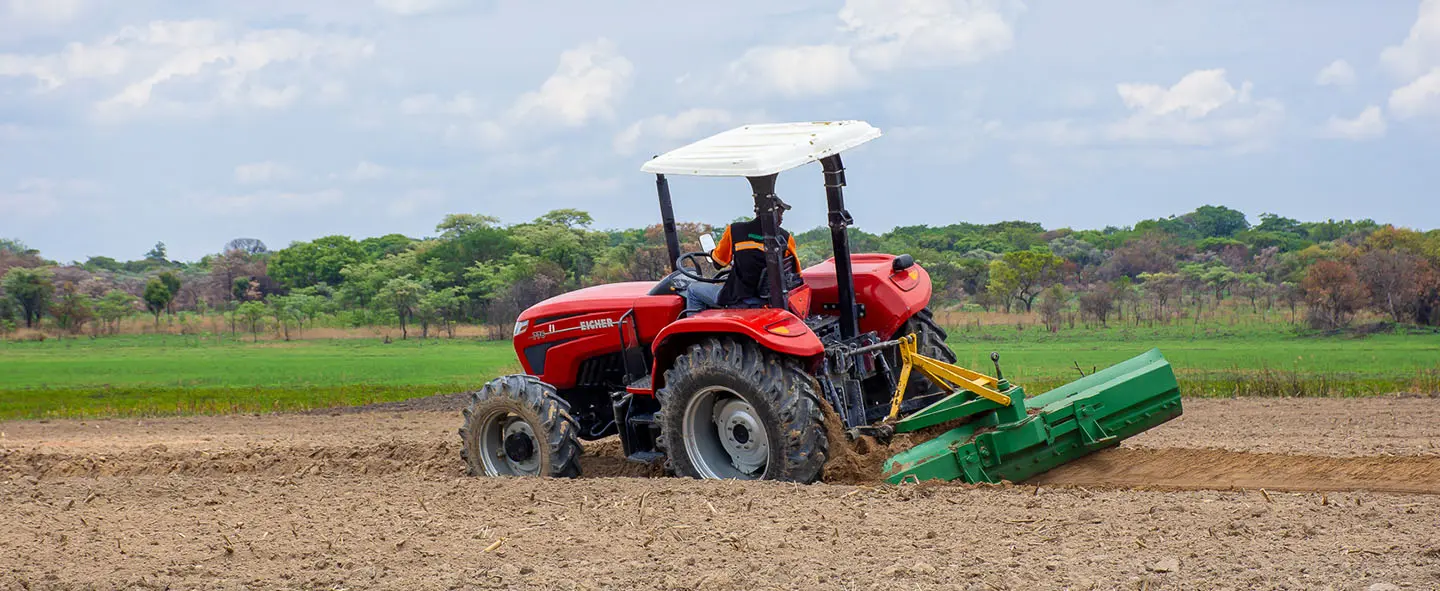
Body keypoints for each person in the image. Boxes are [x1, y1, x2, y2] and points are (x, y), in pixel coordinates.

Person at [683, 197, 803, 315]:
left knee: (693, 289)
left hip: (738, 298)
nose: (782, 218)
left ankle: (694, 331)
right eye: (780, 213)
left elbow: (718, 263)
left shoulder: (735, 231)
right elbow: (796, 271)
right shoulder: (786, 238)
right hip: (770, 300)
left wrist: (711, 253)